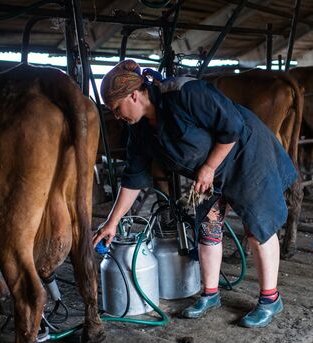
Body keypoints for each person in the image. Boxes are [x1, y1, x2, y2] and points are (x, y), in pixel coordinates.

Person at [93, 59, 297, 328]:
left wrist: (210, 166)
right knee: (208, 228)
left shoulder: (184, 93)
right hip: (209, 174)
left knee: (258, 227)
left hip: (247, 156)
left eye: (116, 109)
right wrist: (112, 222)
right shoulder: (140, 130)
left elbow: (233, 125)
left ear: (133, 95)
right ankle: (210, 295)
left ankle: (270, 299)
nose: (117, 116)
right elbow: (133, 178)